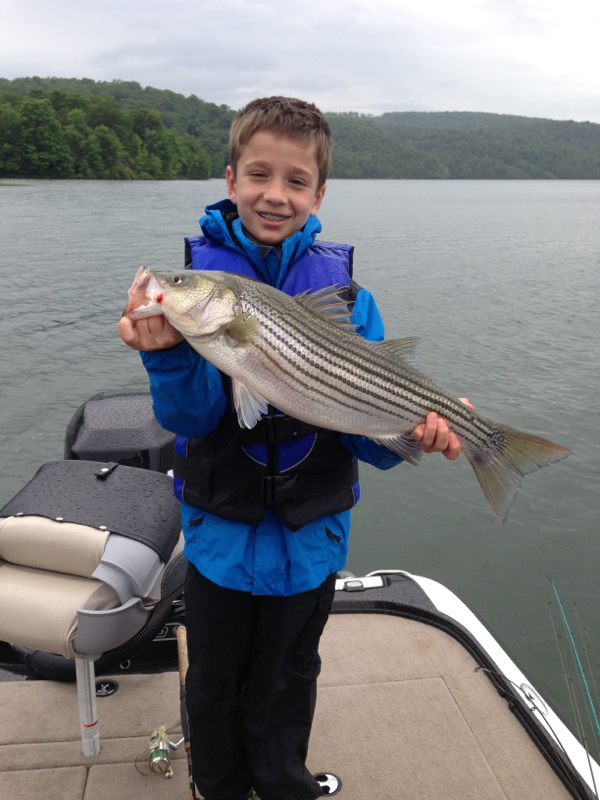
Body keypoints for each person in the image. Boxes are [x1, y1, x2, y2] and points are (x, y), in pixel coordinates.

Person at [119, 96, 469, 800]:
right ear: (230, 179)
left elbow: (366, 441)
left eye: (295, 181)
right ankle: (216, 786)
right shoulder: (202, 303)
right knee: (214, 680)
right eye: (258, 175)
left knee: (289, 677)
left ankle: (282, 784)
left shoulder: (348, 298)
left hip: (312, 542)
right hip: (220, 537)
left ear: (319, 194)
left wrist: (415, 435)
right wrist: (163, 355)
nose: (274, 195)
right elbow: (191, 415)